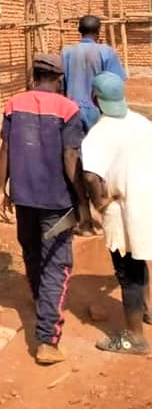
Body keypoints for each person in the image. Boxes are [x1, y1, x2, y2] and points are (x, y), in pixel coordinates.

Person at [0, 52, 92, 365]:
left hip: (23, 197)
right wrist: (83, 201)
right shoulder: (68, 108)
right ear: (59, 79)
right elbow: (70, 157)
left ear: (34, 75)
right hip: (58, 203)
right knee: (56, 263)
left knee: (32, 251)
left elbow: (6, 148)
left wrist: (0, 189)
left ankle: (41, 299)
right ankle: (47, 339)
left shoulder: (14, 104)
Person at [81, 72, 152, 355]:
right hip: (146, 201)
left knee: (127, 271)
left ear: (94, 98)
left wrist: (99, 203)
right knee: (140, 256)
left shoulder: (99, 134)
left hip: (122, 207)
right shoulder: (142, 123)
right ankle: (147, 309)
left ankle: (135, 338)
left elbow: (90, 176)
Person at [62, 15, 126, 131]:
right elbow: (115, 84)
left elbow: (61, 84)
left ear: (79, 30)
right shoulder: (106, 52)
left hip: (70, 110)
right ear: (98, 31)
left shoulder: (66, 52)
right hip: (97, 110)